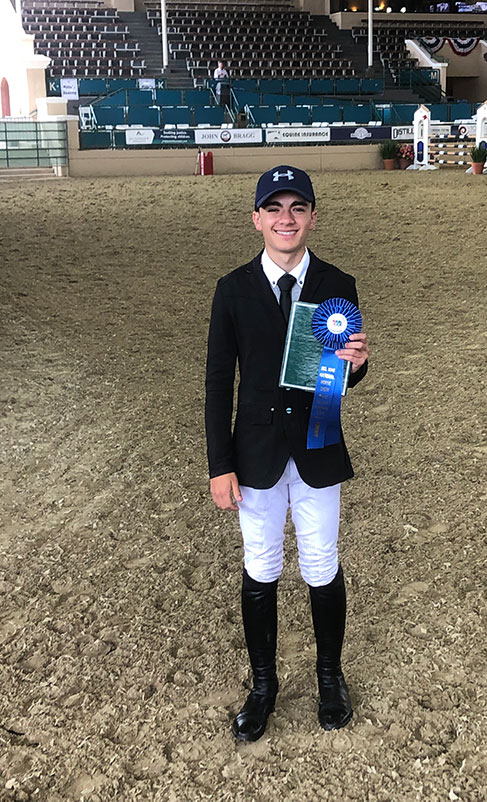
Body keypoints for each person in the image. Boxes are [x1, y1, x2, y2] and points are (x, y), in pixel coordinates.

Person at [205, 165, 369, 743]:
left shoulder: (338, 282)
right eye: (274, 208)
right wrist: (219, 464)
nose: (286, 218)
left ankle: (329, 676)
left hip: (318, 444)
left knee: (322, 562)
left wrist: (357, 364)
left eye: (297, 207)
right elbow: (218, 381)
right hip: (255, 454)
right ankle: (263, 684)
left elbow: (342, 372)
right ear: (257, 219)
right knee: (262, 564)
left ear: (312, 218)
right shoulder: (232, 289)